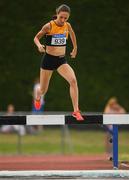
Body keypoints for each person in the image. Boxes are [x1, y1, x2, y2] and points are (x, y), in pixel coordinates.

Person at [33, 4, 84, 121]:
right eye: (61, 17)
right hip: (48, 60)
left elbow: (72, 33)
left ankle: (76, 111)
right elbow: (35, 37)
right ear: (57, 14)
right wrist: (39, 45)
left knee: (73, 80)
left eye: (66, 18)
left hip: (61, 60)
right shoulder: (49, 26)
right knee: (44, 90)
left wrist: (75, 47)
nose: (63, 20)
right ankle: (38, 94)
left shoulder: (67, 25)